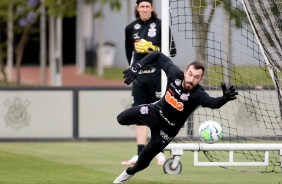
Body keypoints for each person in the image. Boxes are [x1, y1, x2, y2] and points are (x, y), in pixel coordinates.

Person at [113, 51, 238, 183]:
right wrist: (137, 66)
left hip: (167, 130)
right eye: (190, 74)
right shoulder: (174, 75)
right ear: (185, 72)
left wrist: (224, 98)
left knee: (142, 161)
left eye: (196, 77)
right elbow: (157, 55)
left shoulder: (198, 95)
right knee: (121, 119)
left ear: (200, 79)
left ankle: (127, 175)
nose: (191, 79)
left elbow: (213, 103)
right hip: (155, 112)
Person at [122, 0, 176, 165]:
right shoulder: (131, 28)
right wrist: (133, 70)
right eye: (142, 6)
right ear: (137, 8)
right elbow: (128, 53)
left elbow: (172, 52)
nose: (144, 9)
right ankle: (139, 153)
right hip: (139, 79)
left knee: (157, 113)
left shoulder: (161, 26)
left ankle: (158, 151)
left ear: (152, 9)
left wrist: (151, 48)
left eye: (147, 6)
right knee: (140, 114)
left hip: (157, 77)